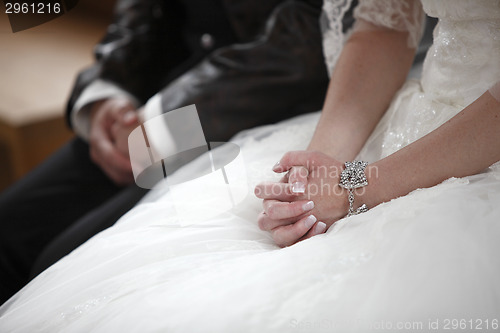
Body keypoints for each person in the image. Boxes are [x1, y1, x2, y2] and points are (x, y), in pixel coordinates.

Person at [1, 0, 498, 331]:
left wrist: (352, 184)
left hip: (235, 110)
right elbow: (384, 25)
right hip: (152, 106)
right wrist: (321, 163)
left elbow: (296, 48)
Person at [0, 0, 359, 304]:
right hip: (147, 102)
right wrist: (107, 90)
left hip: (262, 116)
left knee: (64, 269)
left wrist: (160, 126)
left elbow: (307, 37)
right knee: (11, 227)